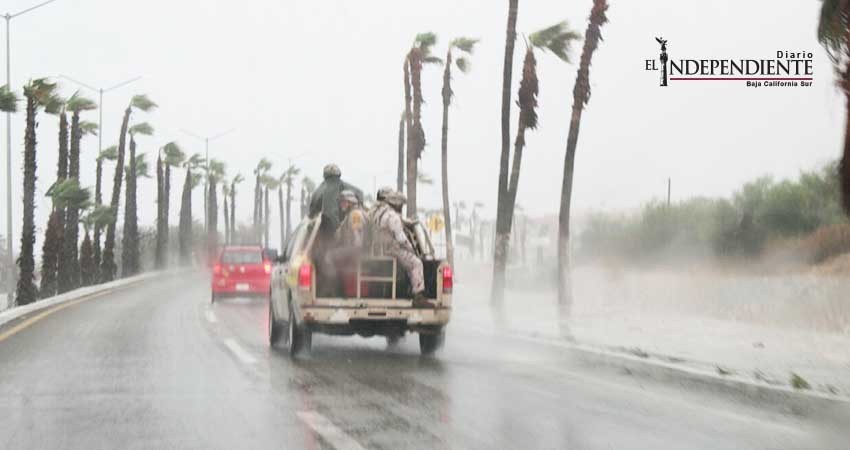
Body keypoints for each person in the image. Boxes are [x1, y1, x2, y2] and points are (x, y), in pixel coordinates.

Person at [372, 190, 429, 307]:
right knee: (416, 263)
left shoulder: (379, 213)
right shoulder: (392, 216)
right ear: (397, 204)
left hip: (380, 249)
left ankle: (410, 288)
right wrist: (412, 250)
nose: (402, 207)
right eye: (401, 205)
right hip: (392, 249)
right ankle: (418, 296)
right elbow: (401, 239)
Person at [319, 190, 366, 297]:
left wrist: (347, 251)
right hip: (353, 249)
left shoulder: (355, 215)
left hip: (356, 250)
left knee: (328, 257)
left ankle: (333, 289)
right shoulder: (350, 215)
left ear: (350, 202)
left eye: (344, 202)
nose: (341, 205)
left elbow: (357, 240)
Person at [309, 164, 364, 232]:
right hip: (341, 228)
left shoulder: (318, 191)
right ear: (338, 174)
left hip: (324, 229)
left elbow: (311, 213)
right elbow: (360, 194)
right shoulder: (346, 186)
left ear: (325, 176)